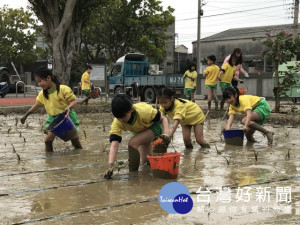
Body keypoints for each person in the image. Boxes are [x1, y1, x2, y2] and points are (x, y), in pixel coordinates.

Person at [104, 94, 170, 179]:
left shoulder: (144, 111)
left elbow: (163, 119)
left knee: (132, 143)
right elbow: (114, 145)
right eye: (118, 117)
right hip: (139, 131)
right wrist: (110, 166)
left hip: (155, 126)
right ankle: (155, 174)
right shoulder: (117, 122)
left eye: (123, 117)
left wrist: (166, 134)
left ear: (131, 109)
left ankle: (133, 175)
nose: (121, 120)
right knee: (146, 161)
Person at [21, 67, 82, 152]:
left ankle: (80, 153)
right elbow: (37, 104)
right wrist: (26, 115)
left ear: (48, 78)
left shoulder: (63, 89)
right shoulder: (42, 94)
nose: (39, 84)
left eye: (40, 81)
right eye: (37, 82)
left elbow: (74, 101)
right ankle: (49, 159)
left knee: (74, 140)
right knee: (48, 141)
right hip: (54, 120)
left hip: (67, 118)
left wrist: (68, 107)